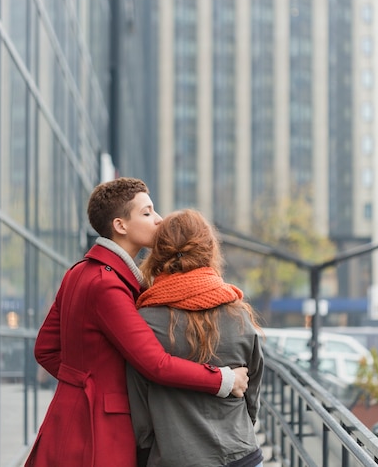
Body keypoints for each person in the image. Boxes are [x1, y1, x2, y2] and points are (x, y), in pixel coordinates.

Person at [25, 178, 249, 467]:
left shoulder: (79, 272)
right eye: (147, 213)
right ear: (121, 226)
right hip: (101, 430)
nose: (158, 221)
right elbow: (154, 363)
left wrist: (82, 383)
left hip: (69, 420)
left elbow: (45, 349)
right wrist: (223, 379)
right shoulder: (107, 284)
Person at [126, 208, 264, 467]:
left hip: (174, 457)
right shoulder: (238, 314)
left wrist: (146, 452)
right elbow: (252, 390)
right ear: (210, 249)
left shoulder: (143, 322)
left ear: (158, 253)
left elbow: (139, 403)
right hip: (240, 455)